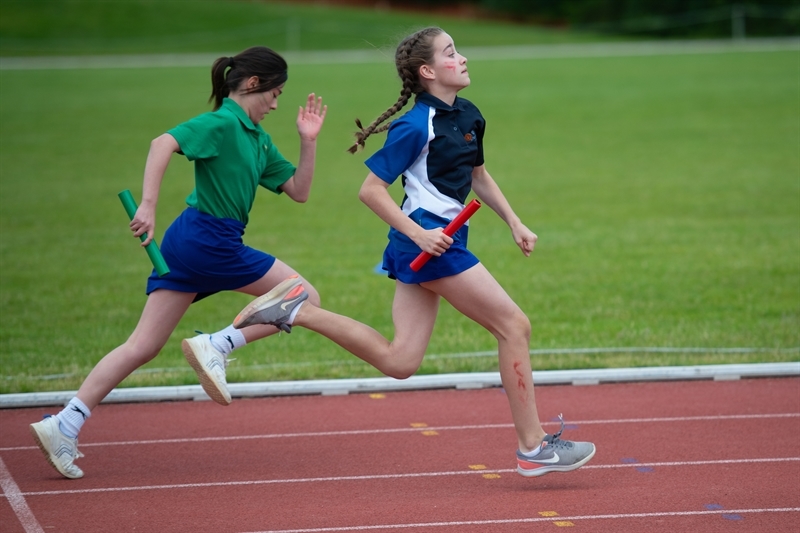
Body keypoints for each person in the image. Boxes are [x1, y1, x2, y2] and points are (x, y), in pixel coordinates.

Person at [229, 27, 596, 478]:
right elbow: (371, 191)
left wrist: (514, 221)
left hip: (440, 240)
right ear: (428, 71)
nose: (461, 58)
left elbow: (477, 174)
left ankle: (298, 311)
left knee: (400, 360)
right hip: (425, 239)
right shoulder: (413, 125)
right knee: (514, 326)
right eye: (450, 53)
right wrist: (419, 236)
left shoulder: (469, 115)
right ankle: (533, 446)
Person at [29, 46, 327, 479]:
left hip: (192, 242)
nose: (277, 104)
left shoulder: (258, 139)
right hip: (211, 241)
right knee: (306, 295)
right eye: (275, 94)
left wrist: (308, 141)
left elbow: (299, 189)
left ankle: (64, 423)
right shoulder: (224, 122)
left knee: (143, 345)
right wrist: (147, 205)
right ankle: (218, 345)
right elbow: (162, 143)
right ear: (251, 85)